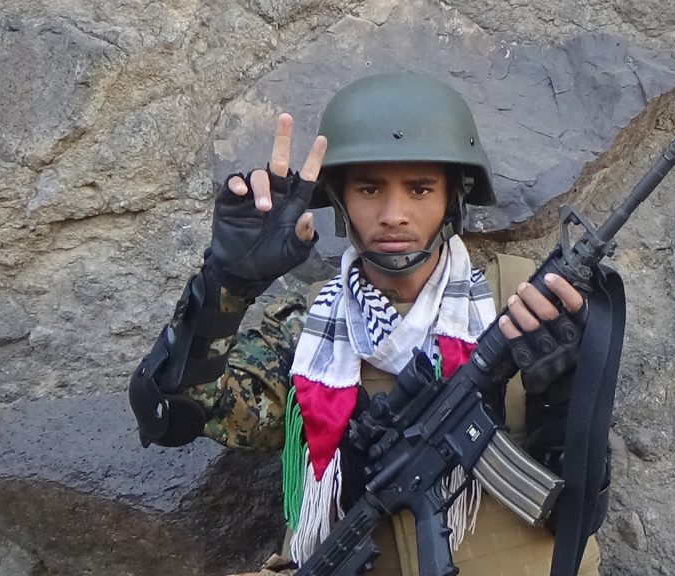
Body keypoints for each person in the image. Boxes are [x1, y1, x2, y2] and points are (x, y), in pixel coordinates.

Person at [129, 72, 603, 575]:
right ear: (340, 199)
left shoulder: (526, 305)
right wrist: (225, 283)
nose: (394, 214)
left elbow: (581, 509)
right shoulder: (307, 336)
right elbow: (171, 414)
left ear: (453, 198)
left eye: (420, 189)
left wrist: (562, 398)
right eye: (370, 188)